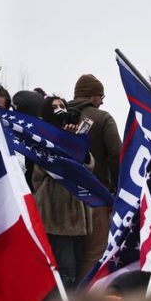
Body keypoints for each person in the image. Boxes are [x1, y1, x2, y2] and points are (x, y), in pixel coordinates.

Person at [33, 95, 92, 288]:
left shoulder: (75, 136)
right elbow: (48, 168)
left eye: (62, 106)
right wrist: (65, 142)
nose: (60, 109)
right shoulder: (42, 138)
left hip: (77, 215)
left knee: (76, 269)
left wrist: (77, 142)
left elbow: (88, 166)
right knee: (66, 273)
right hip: (55, 216)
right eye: (55, 107)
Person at [68, 74, 123, 277]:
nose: (102, 101)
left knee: (66, 255)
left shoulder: (57, 115)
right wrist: (117, 189)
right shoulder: (103, 118)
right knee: (93, 254)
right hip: (96, 197)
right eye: (101, 96)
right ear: (92, 96)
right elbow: (117, 155)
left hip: (63, 198)